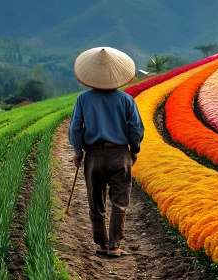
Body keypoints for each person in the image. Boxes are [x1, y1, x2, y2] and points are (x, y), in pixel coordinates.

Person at [69, 47, 144, 257]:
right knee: (119, 202)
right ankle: (115, 246)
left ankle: (100, 243)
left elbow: (76, 128)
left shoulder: (83, 99)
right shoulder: (126, 99)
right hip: (120, 155)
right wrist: (134, 150)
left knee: (96, 199)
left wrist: (77, 151)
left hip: (94, 155)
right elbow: (136, 128)